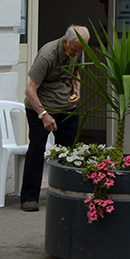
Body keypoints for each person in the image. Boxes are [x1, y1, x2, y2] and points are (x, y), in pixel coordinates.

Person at [19, 25, 87, 212]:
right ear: (65, 42)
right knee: (37, 148)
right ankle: (29, 198)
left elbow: (76, 73)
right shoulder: (48, 54)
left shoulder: (78, 49)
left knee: (69, 151)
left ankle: (67, 193)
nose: (76, 54)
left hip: (66, 108)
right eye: (73, 50)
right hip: (41, 106)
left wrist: (76, 90)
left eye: (79, 51)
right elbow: (30, 90)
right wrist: (44, 115)